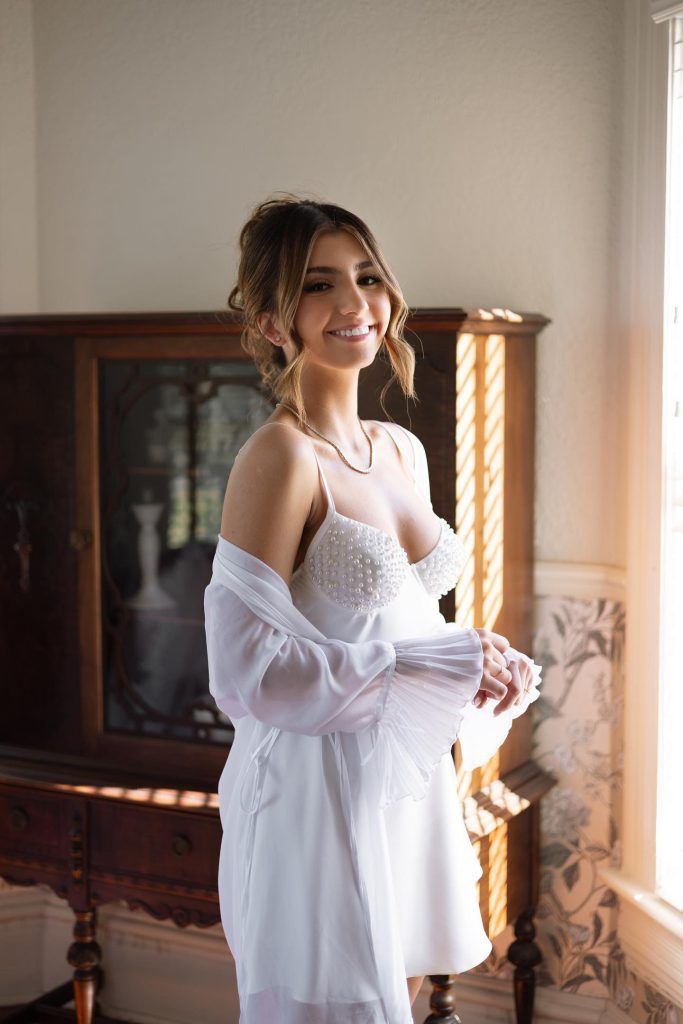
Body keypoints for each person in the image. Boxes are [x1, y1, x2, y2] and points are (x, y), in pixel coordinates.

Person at [204, 193, 541, 1023]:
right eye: (318, 285)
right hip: (313, 786)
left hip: (397, 775)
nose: (354, 304)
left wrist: (476, 658)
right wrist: (435, 665)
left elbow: (397, 618)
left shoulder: (399, 447)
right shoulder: (280, 459)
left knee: (400, 988)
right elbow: (245, 671)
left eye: (366, 277)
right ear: (273, 319)